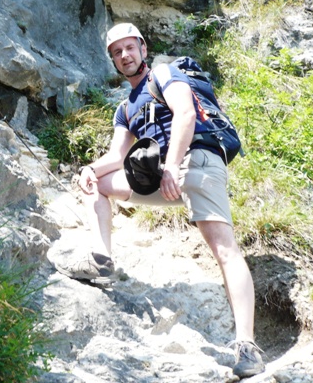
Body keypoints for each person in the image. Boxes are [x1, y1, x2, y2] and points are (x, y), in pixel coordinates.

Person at [56, 22, 265, 378]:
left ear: (143, 48)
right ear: (113, 60)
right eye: (117, 52)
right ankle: (102, 259)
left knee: (224, 249)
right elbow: (116, 154)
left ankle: (247, 345)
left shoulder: (165, 73)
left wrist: (171, 166)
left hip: (195, 161)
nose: (124, 55)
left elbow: (185, 114)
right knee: (98, 184)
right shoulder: (124, 108)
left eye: (129, 48)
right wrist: (89, 168)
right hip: (161, 177)